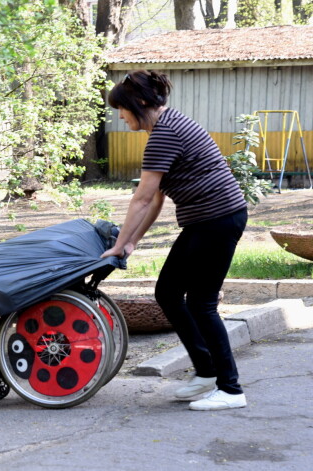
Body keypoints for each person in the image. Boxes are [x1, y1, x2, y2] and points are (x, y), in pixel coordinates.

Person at [101, 70, 249, 411]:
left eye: (121, 109)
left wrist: (117, 244)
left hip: (217, 220)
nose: (120, 117)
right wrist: (130, 242)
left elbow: (140, 198)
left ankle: (230, 389)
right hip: (207, 220)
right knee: (167, 292)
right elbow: (156, 200)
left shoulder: (165, 134)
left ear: (139, 102)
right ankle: (206, 372)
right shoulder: (169, 125)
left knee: (202, 303)